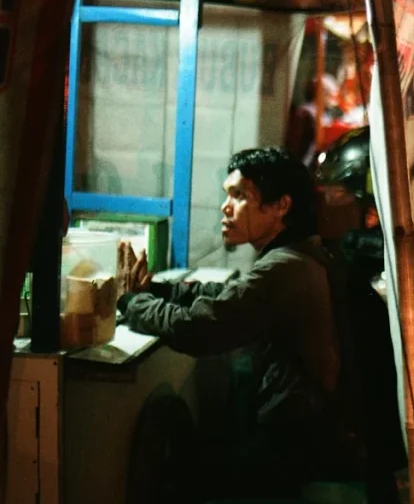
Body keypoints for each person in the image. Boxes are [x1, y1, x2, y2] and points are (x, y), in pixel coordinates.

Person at [116, 147, 369, 499]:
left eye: (239, 196)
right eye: (227, 195)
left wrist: (132, 302)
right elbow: (229, 293)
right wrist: (160, 289)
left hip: (298, 443)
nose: (226, 206)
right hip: (304, 428)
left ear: (281, 206)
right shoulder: (300, 253)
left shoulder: (285, 267)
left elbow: (199, 328)